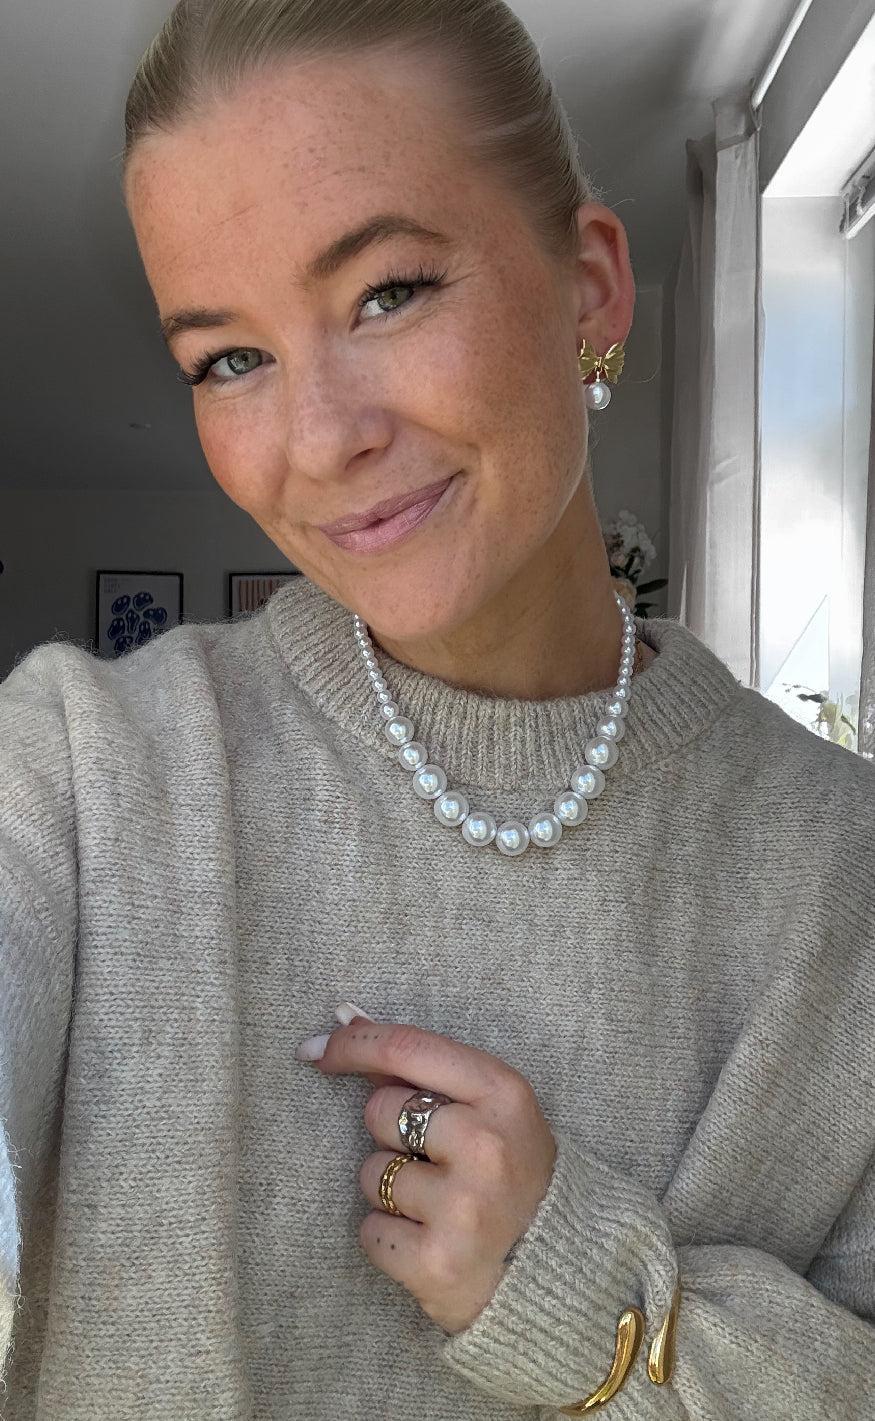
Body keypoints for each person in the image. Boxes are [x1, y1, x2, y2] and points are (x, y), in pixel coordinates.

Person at [1, 0, 873, 1416]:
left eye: (388, 293)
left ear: (590, 290)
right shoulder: (85, 769)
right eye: (229, 359)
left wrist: (579, 1292)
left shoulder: (845, 876)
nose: (319, 440)